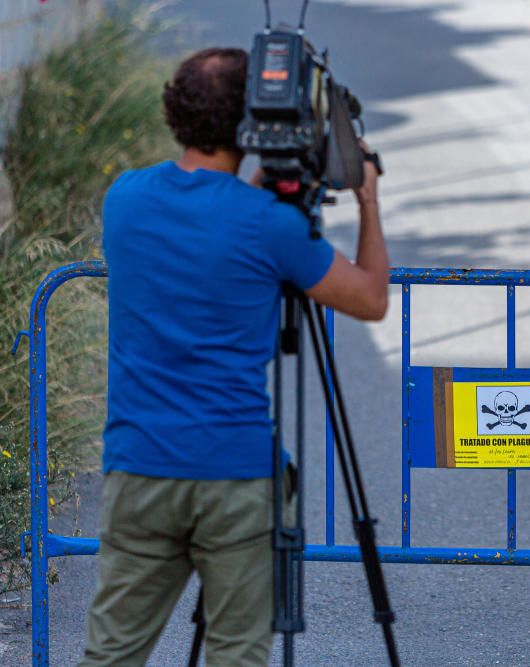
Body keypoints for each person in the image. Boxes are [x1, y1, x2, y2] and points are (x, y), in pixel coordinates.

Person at [79, 47, 389, 666]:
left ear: (176, 113)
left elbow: (210, 217)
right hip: (235, 476)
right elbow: (371, 299)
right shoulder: (270, 226)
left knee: (110, 655)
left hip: (139, 467)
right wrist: (368, 201)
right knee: (235, 654)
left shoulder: (125, 200)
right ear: (255, 121)